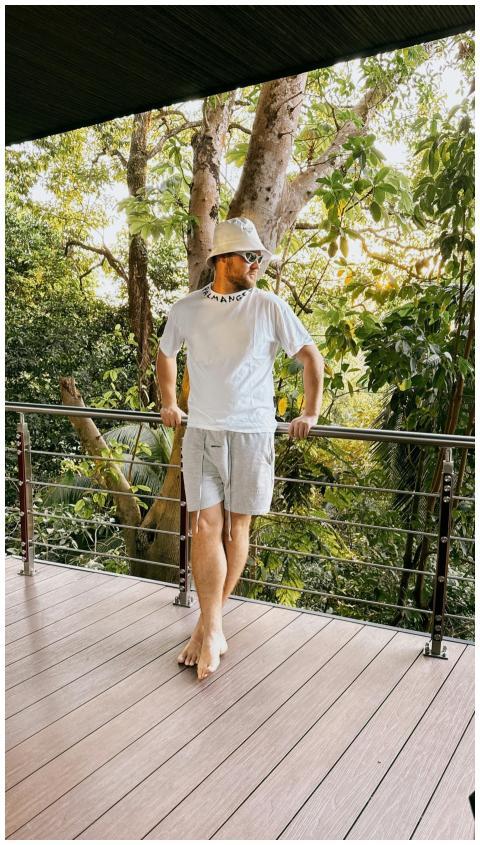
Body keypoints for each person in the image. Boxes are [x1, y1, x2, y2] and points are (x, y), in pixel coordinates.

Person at [157, 217, 324, 680]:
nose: (256, 264)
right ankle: (212, 629)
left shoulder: (268, 305)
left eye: (259, 257)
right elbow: (166, 353)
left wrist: (310, 413)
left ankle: (207, 627)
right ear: (222, 260)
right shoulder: (187, 308)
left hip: (253, 433)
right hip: (202, 432)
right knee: (204, 526)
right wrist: (169, 401)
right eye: (248, 256)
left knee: (236, 529)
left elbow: (311, 357)